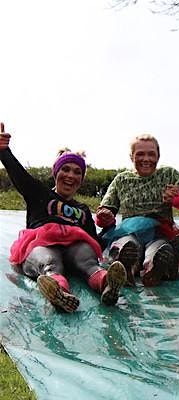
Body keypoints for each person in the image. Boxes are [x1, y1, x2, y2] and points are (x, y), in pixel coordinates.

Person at [0, 122, 127, 313]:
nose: (70, 175)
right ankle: (58, 292)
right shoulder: (39, 193)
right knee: (49, 261)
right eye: (65, 169)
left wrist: (109, 227)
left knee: (88, 260)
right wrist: (4, 152)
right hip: (42, 243)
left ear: (81, 180)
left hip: (75, 248)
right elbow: (20, 176)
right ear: (56, 173)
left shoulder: (82, 210)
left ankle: (107, 284)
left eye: (77, 172)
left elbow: (95, 243)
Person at [96, 134, 179, 287]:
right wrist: (104, 216)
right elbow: (106, 210)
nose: (146, 159)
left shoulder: (169, 174)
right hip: (128, 232)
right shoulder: (121, 180)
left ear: (158, 156)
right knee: (128, 245)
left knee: (160, 248)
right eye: (140, 154)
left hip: (160, 231)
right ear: (131, 156)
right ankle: (126, 267)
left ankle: (154, 270)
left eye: (151, 154)